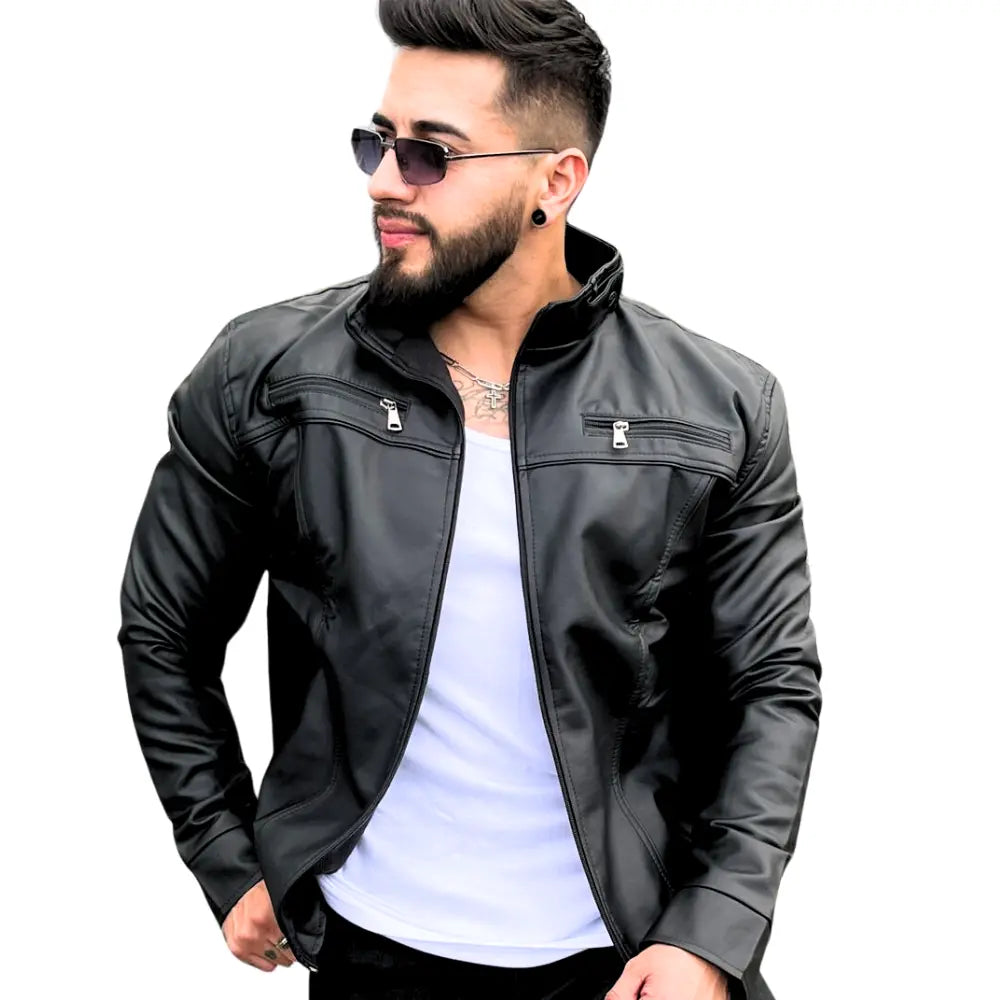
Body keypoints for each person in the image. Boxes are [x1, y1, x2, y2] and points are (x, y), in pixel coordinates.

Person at [117, 2, 822, 998]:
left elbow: (770, 686)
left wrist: (712, 933)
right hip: (369, 952)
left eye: (431, 155)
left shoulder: (719, 407)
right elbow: (164, 630)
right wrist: (227, 855)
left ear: (554, 181)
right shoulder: (270, 374)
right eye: (378, 141)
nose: (384, 180)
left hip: (623, 962)